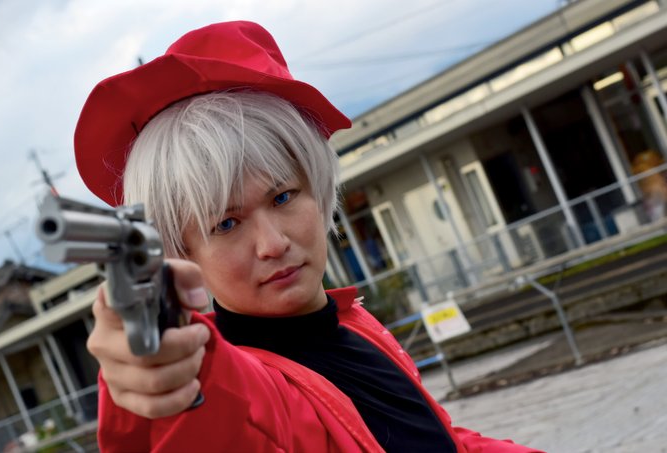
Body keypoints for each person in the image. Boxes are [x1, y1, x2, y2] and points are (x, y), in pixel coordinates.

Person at [78, 21, 543, 452]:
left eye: (282, 197)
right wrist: (153, 359)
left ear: (316, 189)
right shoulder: (242, 385)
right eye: (226, 224)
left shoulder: (353, 322)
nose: (273, 244)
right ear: (182, 252)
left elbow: (432, 437)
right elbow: (217, 413)